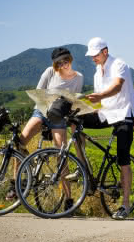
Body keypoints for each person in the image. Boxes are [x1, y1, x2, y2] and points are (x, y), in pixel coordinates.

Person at [6, 47, 84, 207]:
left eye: (66, 60)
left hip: (59, 118)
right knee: (20, 142)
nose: (64, 65)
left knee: (61, 155)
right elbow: (38, 94)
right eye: (59, 63)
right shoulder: (49, 72)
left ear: (71, 59)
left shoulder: (78, 78)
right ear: (55, 64)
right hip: (42, 112)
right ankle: (16, 185)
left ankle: (68, 200)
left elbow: (74, 101)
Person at [79, 37, 134, 220]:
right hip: (106, 114)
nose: (93, 58)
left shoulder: (119, 64)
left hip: (123, 115)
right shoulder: (98, 71)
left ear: (105, 51)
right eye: (91, 56)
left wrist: (100, 96)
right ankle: (82, 168)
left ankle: (125, 205)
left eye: (95, 55)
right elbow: (101, 101)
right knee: (74, 121)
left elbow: (117, 86)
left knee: (123, 158)